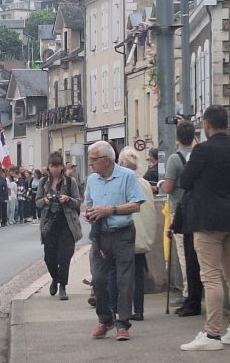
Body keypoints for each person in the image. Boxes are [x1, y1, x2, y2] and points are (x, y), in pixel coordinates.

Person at [179, 105, 230, 351]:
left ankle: (212, 334)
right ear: (226, 124)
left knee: (210, 276)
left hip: (208, 220)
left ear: (207, 125)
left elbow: (185, 181)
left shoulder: (202, 151)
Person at [85, 141, 145, 341]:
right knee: (99, 279)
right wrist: (90, 213)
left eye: (93, 160)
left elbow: (136, 205)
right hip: (101, 234)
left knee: (124, 279)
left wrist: (111, 210)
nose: (90, 163)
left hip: (122, 233)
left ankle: (123, 323)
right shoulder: (92, 180)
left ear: (106, 160)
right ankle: (105, 319)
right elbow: (88, 205)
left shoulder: (126, 176)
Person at [112, 147, 156, 321]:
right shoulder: (145, 183)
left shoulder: (122, 182)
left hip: (126, 234)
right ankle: (139, 309)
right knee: (138, 273)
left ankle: (121, 308)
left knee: (122, 274)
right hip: (142, 235)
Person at [162, 121, 200, 315]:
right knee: (197, 255)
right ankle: (194, 292)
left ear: (177, 138)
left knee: (184, 255)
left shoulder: (174, 159)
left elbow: (168, 188)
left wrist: (161, 184)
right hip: (198, 209)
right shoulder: (198, 154)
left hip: (180, 210)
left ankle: (188, 293)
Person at [36, 152, 82, 301]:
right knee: (49, 258)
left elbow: (78, 201)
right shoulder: (43, 182)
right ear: (48, 167)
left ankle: (62, 286)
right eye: (52, 166)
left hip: (66, 224)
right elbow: (37, 202)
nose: (55, 169)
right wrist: (45, 200)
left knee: (64, 258)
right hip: (49, 225)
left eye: (57, 166)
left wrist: (68, 199)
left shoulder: (70, 181)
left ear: (62, 166)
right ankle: (55, 278)